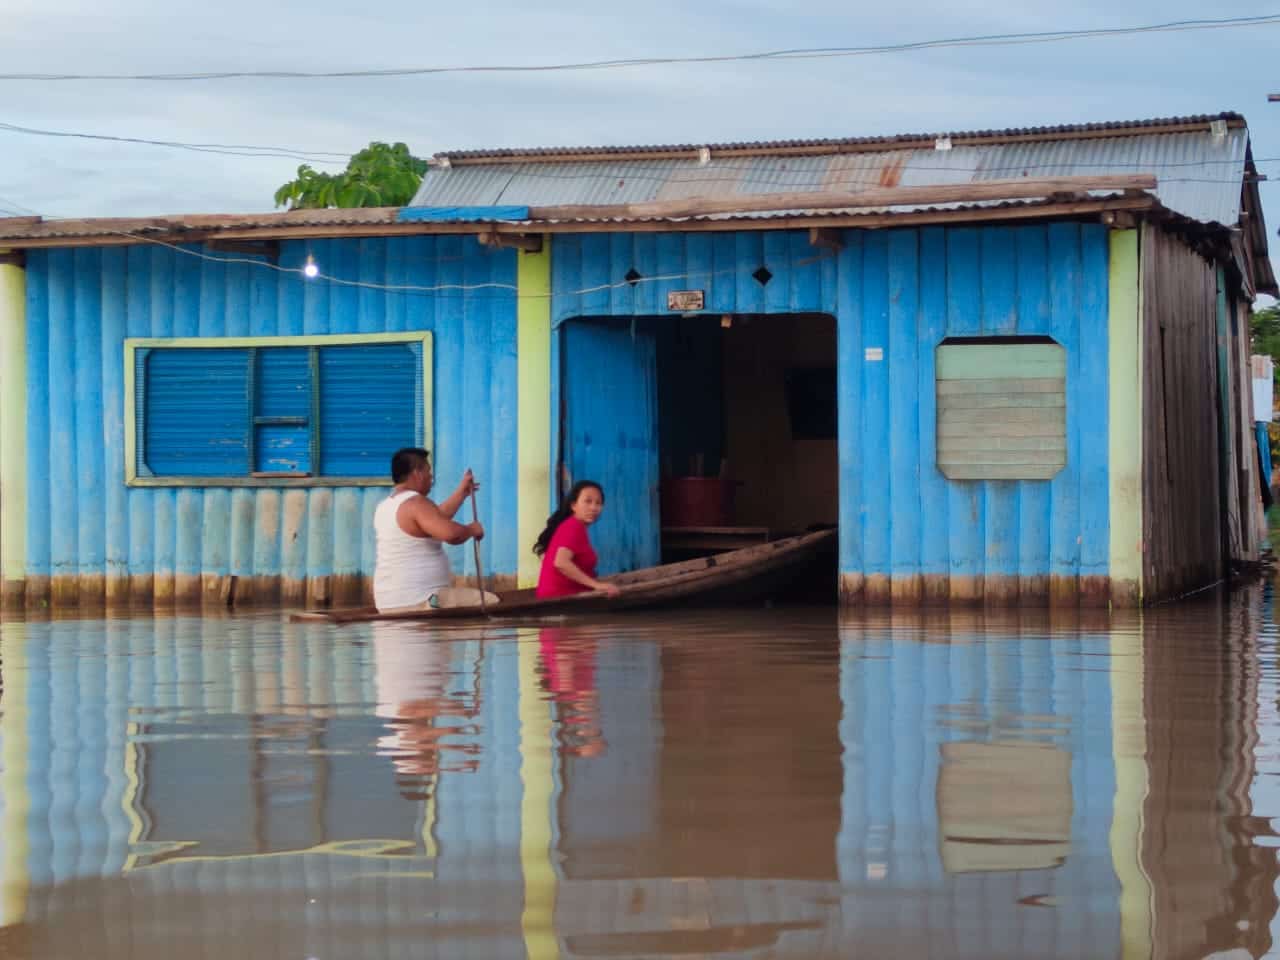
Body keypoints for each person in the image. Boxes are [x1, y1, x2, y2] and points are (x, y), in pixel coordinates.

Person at [372, 447, 490, 613]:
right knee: (493, 602)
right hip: (422, 600)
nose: (431, 478)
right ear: (417, 473)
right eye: (429, 472)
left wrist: (461, 493)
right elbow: (451, 534)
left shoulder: (385, 506)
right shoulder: (416, 503)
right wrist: (472, 529)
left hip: (388, 603)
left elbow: (435, 520)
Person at [533, 480, 621, 599]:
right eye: (588, 501)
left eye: (598, 503)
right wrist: (596, 585)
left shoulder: (573, 526)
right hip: (559, 596)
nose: (594, 508)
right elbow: (561, 563)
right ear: (574, 505)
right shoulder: (573, 526)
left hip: (558, 593)